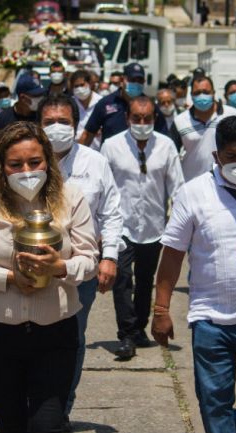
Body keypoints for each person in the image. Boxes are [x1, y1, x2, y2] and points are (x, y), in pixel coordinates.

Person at [0, 122, 99, 432]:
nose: (26, 171)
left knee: (47, 424)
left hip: (55, 331)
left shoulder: (71, 199)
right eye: (15, 165)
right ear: (0, 166)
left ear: (48, 161)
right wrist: (6, 277)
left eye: (35, 162)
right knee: (10, 423)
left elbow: (89, 259)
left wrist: (60, 268)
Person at [151, 116, 236, 433]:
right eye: (231, 157)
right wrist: (161, 309)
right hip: (211, 317)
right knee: (214, 401)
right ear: (215, 157)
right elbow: (172, 254)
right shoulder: (193, 193)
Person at [38, 94, 124, 421]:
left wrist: (110, 257)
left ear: (76, 125)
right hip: (32, 270)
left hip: (80, 271)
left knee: (71, 340)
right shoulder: (24, 161)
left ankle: (60, 410)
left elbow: (112, 213)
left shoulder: (95, 162)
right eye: (49, 122)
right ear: (38, 125)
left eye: (64, 122)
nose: (57, 128)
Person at [100, 96, 185, 359]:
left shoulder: (166, 146)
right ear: (127, 118)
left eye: (147, 118)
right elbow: (103, 188)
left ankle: (139, 328)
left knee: (146, 280)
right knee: (122, 279)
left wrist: (181, 224)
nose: (142, 123)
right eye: (136, 118)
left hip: (154, 226)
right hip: (120, 226)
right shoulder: (111, 146)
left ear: (154, 119)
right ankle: (126, 334)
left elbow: (177, 188)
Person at [169, 75, 236, 182]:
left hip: (228, 183)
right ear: (191, 95)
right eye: (197, 93)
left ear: (213, 93)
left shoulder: (233, 115)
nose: (202, 96)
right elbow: (171, 156)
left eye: (206, 92)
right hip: (192, 183)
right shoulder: (180, 121)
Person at [81, 63, 169, 147]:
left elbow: (163, 136)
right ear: (122, 80)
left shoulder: (151, 106)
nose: (136, 83)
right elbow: (88, 134)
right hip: (111, 157)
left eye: (140, 81)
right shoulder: (105, 103)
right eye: (132, 80)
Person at [70, 70, 103, 146]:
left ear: (90, 84)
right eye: (76, 86)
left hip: (98, 151)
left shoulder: (101, 102)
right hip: (76, 150)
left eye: (82, 85)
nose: (79, 89)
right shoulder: (69, 104)